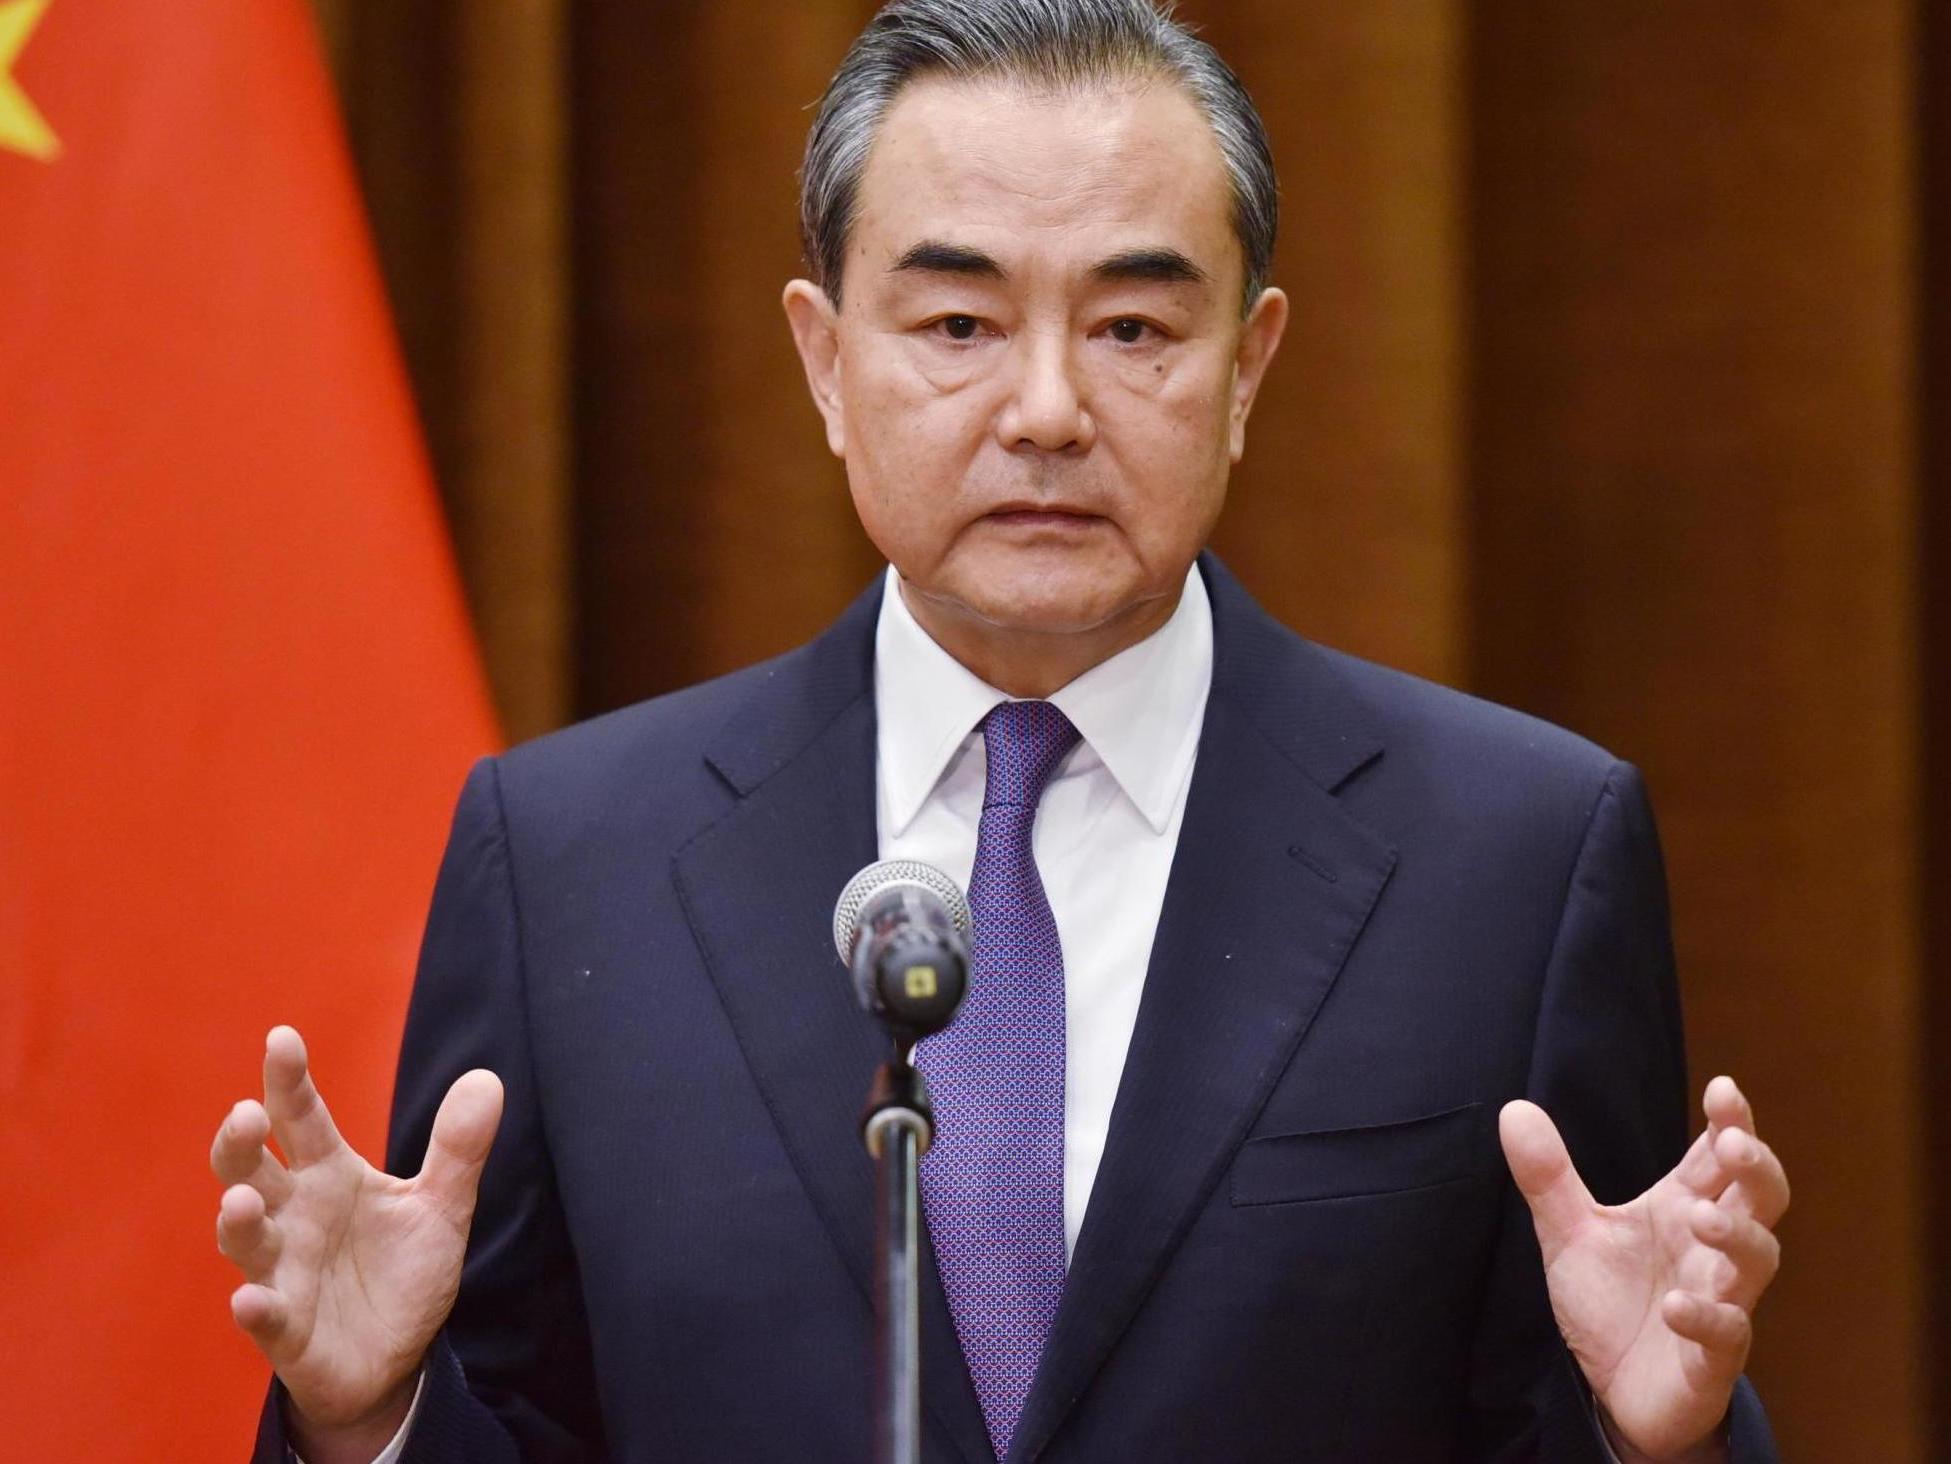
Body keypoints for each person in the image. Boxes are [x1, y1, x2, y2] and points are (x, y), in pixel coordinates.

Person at [209, 3, 1789, 1460]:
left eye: (1133, 330)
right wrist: (377, 1417)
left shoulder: (1514, 858)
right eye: (958, 324)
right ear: (827, 365)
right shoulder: (571, 860)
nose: (1046, 408)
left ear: (1249, 367)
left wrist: (1654, 1446)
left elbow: (1570, 1394)